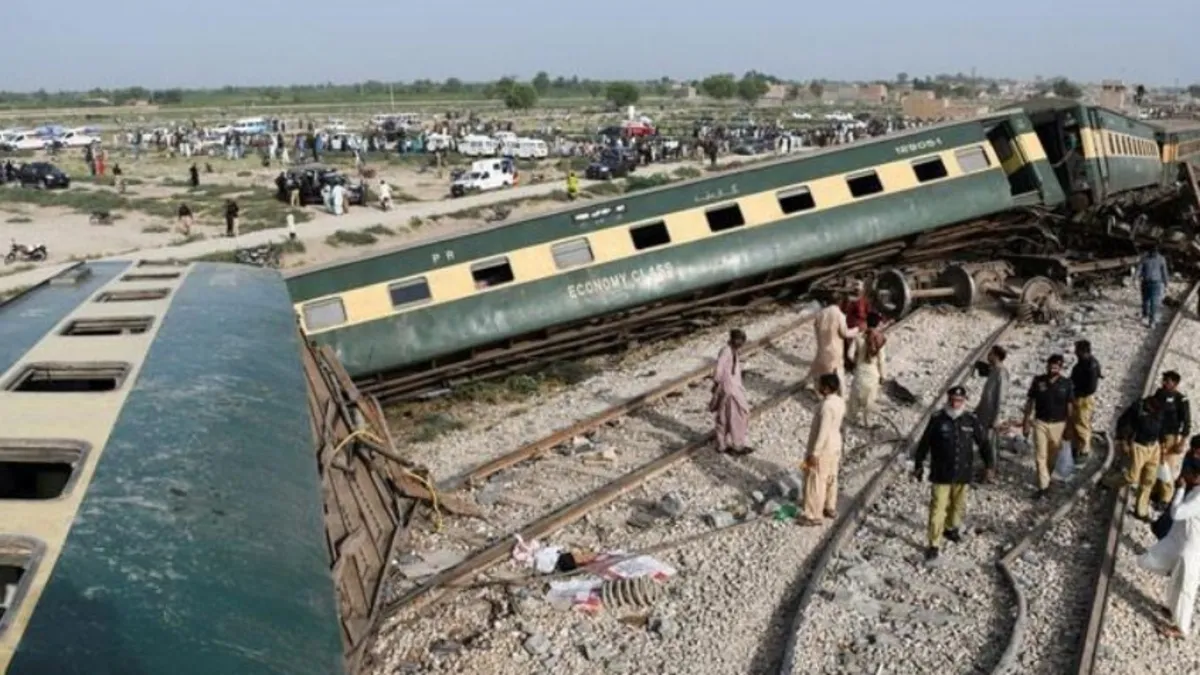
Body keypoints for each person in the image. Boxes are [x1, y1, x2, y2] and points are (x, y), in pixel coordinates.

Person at [913, 386, 990, 562]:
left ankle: (950, 528)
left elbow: (984, 442)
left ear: (965, 401)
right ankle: (934, 543)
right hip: (941, 473)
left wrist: (989, 464)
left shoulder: (970, 420)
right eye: (953, 400)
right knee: (938, 508)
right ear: (948, 399)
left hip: (963, 472)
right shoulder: (938, 419)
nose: (956, 403)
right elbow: (925, 443)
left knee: (958, 505)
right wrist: (918, 464)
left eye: (959, 400)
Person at [1137, 455, 1200, 639]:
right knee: (1174, 577)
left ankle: (1182, 629)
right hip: (1182, 542)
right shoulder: (1196, 490)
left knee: (1186, 587)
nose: (1186, 476)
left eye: (1190, 474)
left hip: (1192, 548)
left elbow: (1177, 512)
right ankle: (1172, 609)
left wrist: (1180, 490)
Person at [1023, 354, 1075, 498]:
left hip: (1059, 424)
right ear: (1047, 365)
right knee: (1040, 455)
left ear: (1061, 367)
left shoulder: (1067, 384)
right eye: (1051, 365)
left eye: (1057, 365)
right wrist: (1026, 421)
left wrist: (1070, 427)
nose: (1054, 368)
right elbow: (1030, 402)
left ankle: (1047, 477)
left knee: (1052, 457)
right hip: (1040, 423)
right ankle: (1043, 487)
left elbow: (1070, 406)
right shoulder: (1038, 381)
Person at [800, 373, 846, 526]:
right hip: (835, 444)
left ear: (825, 388)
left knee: (816, 480)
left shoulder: (826, 406)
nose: (817, 387)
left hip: (824, 447)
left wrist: (814, 453)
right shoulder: (840, 402)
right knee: (831, 477)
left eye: (820, 384)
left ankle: (813, 515)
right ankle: (829, 506)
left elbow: (823, 431)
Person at [1113, 394, 1165, 520]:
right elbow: (1124, 423)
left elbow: (1162, 428)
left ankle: (1140, 511)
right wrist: (1123, 440)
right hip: (1139, 446)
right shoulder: (1138, 409)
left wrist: (1162, 446)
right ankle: (1108, 481)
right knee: (1131, 477)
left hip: (1154, 447)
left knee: (1149, 480)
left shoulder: (1160, 411)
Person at [710, 329, 752, 456]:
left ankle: (722, 444)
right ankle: (736, 445)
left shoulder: (733, 352)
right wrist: (717, 383)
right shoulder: (726, 351)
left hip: (731, 387)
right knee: (738, 415)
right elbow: (719, 370)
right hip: (729, 389)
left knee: (725, 416)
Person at [807, 294, 859, 396]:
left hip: (822, 349)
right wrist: (856, 330)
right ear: (839, 302)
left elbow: (816, 330)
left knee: (818, 371)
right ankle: (842, 395)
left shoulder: (820, 314)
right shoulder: (840, 315)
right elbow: (845, 333)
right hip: (835, 351)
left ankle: (817, 390)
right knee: (839, 373)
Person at [1155, 372, 1193, 504]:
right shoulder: (1159, 394)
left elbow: (1187, 422)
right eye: (1164, 380)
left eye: (1168, 381)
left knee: (1167, 467)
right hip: (1157, 433)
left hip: (1171, 437)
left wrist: (1182, 442)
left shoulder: (1181, 400)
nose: (1164, 383)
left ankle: (1165, 497)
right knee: (1156, 463)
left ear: (1175, 384)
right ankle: (1156, 492)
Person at [974, 345, 1009, 483]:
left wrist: (997, 417)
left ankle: (990, 472)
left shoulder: (1001, 373)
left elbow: (1001, 397)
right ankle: (987, 468)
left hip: (991, 416)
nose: (988, 357)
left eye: (990, 354)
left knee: (990, 443)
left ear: (996, 355)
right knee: (984, 442)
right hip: (984, 414)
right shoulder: (994, 371)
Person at [847, 312, 887, 428]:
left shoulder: (859, 337)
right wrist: (883, 376)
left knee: (854, 397)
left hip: (859, 372)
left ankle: (852, 418)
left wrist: (857, 362)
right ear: (878, 324)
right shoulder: (879, 339)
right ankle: (867, 421)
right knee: (869, 399)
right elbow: (881, 361)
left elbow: (849, 354)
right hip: (873, 374)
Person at [1069, 340, 1103, 459]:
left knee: (1082, 424)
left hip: (1083, 399)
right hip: (1078, 397)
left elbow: (1091, 388)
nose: (1075, 352)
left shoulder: (1090, 366)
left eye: (1077, 350)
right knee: (1075, 422)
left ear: (1082, 351)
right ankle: (1077, 446)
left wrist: (1076, 393)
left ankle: (1083, 451)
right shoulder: (1084, 363)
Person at [840, 281, 871, 371]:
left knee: (853, 347)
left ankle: (852, 364)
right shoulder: (860, 300)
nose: (857, 291)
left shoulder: (861, 300)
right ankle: (851, 365)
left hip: (855, 326)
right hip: (855, 327)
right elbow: (865, 313)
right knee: (855, 347)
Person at [1138, 245, 1169, 327]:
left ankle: (1150, 320)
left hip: (1153, 283)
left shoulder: (1145, 258)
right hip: (1150, 283)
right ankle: (1146, 315)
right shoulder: (1161, 259)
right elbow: (1164, 273)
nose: (1154, 253)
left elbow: (1164, 272)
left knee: (1152, 302)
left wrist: (1166, 283)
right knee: (1147, 301)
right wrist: (1166, 283)